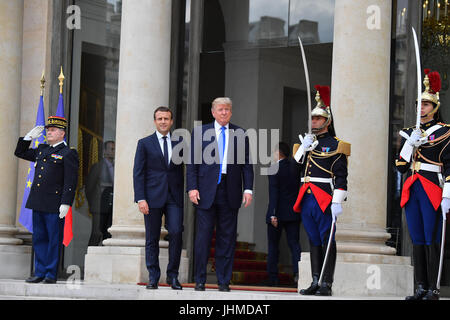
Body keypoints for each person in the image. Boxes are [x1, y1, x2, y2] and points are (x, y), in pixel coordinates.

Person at [186, 97, 254, 292]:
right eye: (220, 109)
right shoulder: (200, 132)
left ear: (231, 112)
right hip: (205, 191)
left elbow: (247, 165)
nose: (224, 112)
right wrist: (192, 187)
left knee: (227, 238)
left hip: (230, 190)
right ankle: (199, 279)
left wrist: (248, 189)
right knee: (203, 238)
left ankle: (224, 281)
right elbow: (192, 163)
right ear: (213, 112)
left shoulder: (240, 133)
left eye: (227, 109)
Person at [396, 69, 450, 300]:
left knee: (432, 237)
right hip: (414, 186)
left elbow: (448, 165)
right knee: (416, 237)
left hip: (432, 187)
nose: (421, 108)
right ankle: (420, 287)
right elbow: (400, 165)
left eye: (426, 105)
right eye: (419, 104)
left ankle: (434, 288)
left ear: (435, 107)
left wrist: (448, 194)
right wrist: (411, 144)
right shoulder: (410, 132)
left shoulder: (446, 132)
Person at [292, 85, 350, 296]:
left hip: (324, 196)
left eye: (318, 119)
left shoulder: (336, 145)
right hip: (306, 196)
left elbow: (341, 176)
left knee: (327, 239)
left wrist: (337, 201)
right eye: (312, 118)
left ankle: (327, 282)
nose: (313, 121)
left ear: (327, 121)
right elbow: (294, 168)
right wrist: (304, 149)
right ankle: (316, 280)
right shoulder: (306, 143)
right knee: (313, 239)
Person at [14, 116, 79, 284]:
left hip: (55, 204)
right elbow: (20, 152)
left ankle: (50, 273)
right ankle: (40, 272)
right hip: (38, 201)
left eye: (53, 130)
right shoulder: (42, 149)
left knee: (53, 239)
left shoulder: (68, 153)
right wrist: (28, 138)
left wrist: (66, 202)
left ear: (62, 133)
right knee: (39, 239)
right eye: (48, 130)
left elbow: (70, 181)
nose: (49, 133)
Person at [133, 106, 184, 290]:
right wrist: (140, 198)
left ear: (171, 121)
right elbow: (138, 173)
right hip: (152, 197)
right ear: (155, 121)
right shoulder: (144, 143)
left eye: (166, 118)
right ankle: (153, 276)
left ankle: (173, 276)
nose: (163, 121)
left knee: (177, 232)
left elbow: (186, 170)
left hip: (174, 197)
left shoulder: (180, 143)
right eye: (160, 118)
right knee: (152, 238)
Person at [265, 142, 302, 286]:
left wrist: (273, 213)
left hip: (278, 213)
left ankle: (273, 277)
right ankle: (298, 275)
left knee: (273, 246)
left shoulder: (274, 168)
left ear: (278, 153)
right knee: (294, 245)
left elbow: (273, 192)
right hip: (293, 213)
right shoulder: (294, 167)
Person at [86, 140, 115, 245]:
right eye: (111, 149)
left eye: (114, 149)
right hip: (99, 207)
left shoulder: (117, 167)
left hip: (113, 208)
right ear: (105, 151)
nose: (114, 151)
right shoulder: (98, 167)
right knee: (96, 234)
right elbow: (89, 188)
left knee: (109, 235)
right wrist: (93, 205)